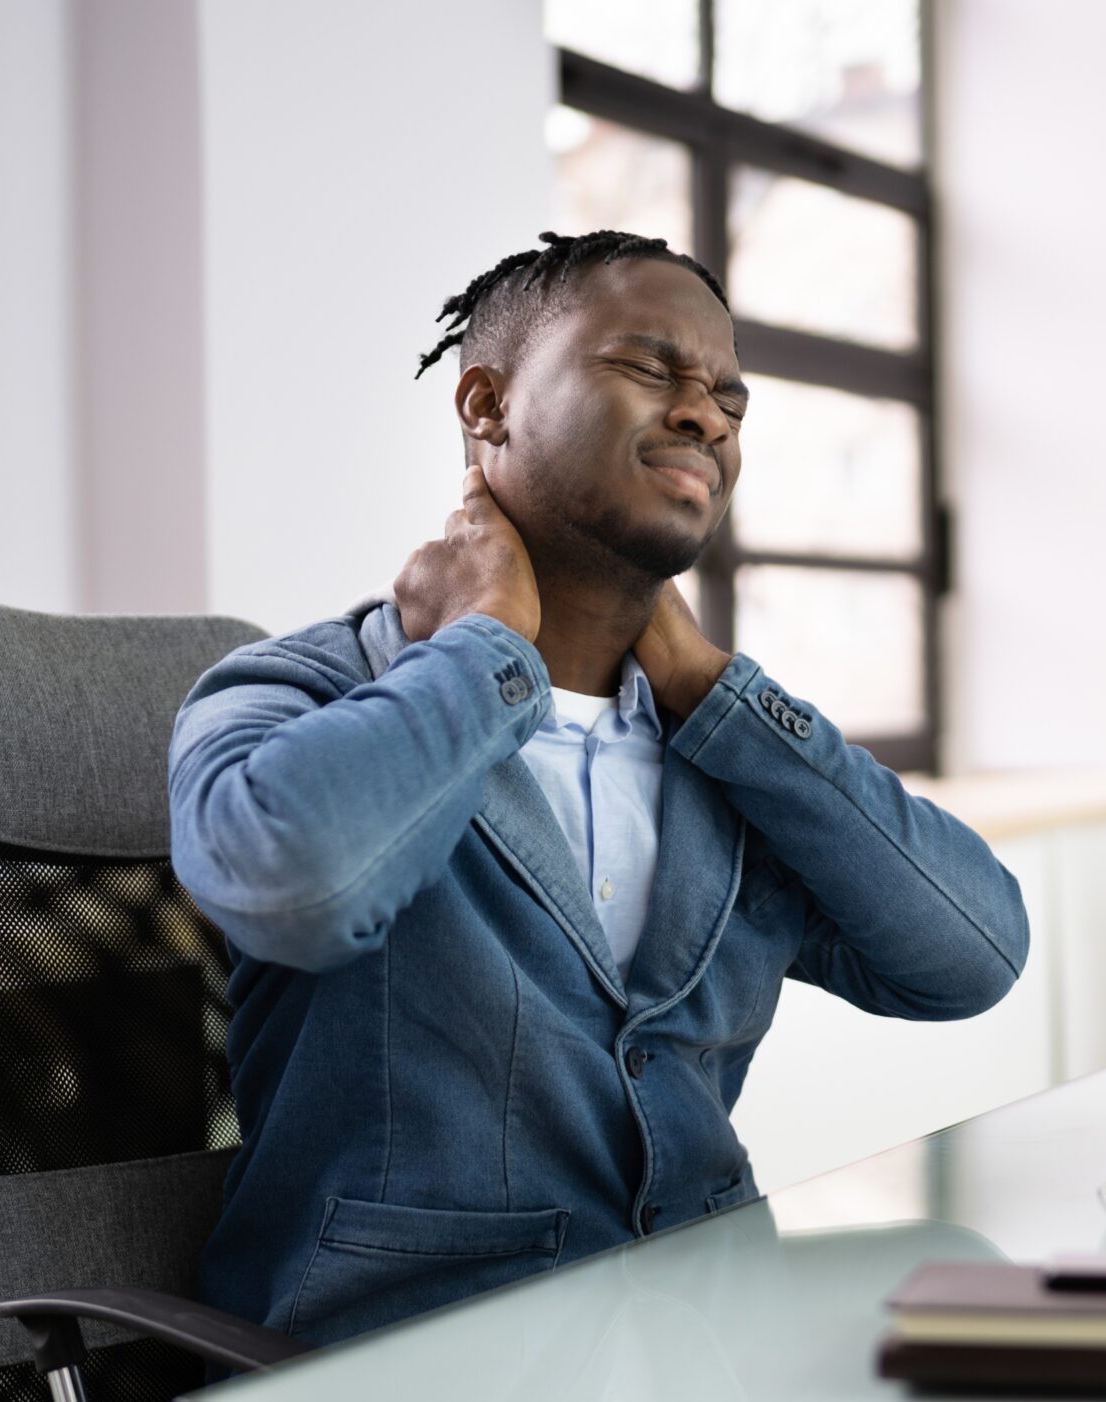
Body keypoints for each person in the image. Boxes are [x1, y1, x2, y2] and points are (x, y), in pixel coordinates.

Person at [169, 231, 1028, 1345]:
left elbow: (972, 957)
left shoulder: (722, 757)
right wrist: (484, 647)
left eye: (729, 398)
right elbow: (295, 884)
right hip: (409, 1371)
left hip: (704, 1368)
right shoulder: (305, 689)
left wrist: (713, 688)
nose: (707, 418)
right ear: (487, 404)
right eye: (648, 368)